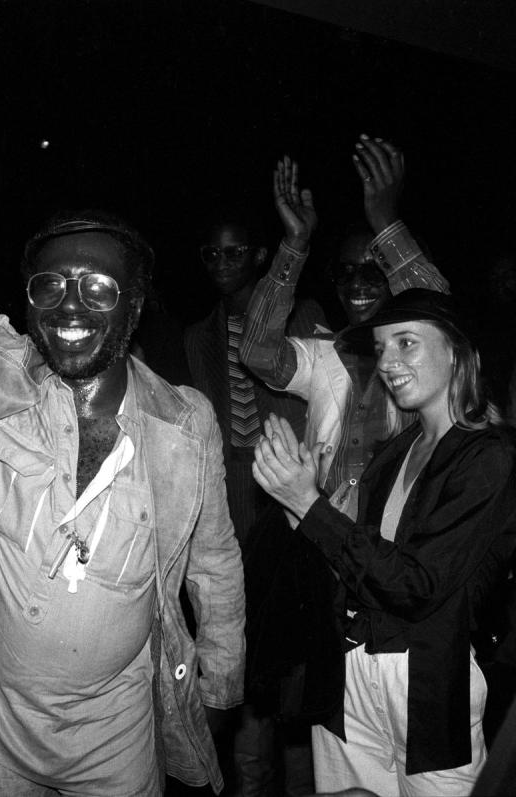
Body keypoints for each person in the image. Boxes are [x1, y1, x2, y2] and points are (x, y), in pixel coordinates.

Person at [0, 2, 245, 794]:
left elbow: (213, 561)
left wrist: (218, 686)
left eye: (97, 287)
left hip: (118, 732)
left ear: (137, 306)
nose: (69, 306)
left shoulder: (184, 422)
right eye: (50, 286)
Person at [252, 289, 516, 795]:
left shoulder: (490, 456)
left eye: (407, 343)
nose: (388, 362)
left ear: (458, 352)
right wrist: (296, 506)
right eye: (381, 348)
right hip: (350, 668)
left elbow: (415, 585)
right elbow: (352, 565)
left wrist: (311, 508)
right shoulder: (395, 451)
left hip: (430, 681)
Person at [185, 199, 326, 796]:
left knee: (286, 669)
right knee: (231, 656)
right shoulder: (196, 337)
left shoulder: (305, 317)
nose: (222, 263)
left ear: (261, 256)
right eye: (212, 253)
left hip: (288, 503)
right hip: (227, 508)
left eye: (235, 251)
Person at [240, 142, 449, 520]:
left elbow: (439, 312)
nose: (357, 285)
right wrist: (294, 244)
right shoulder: (325, 355)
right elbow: (257, 352)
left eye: (373, 272)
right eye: (345, 272)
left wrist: (386, 223)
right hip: (325, 532)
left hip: (401, 535)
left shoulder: (430, 363)